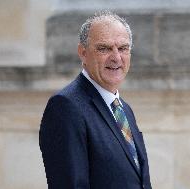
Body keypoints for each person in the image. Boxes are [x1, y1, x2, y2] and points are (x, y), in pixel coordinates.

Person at [39, 10, 152, 189]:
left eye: (123, 48)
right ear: (83, 53)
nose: (116, 58)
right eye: (104, 48)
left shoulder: (124, 109)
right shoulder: (65, 107)